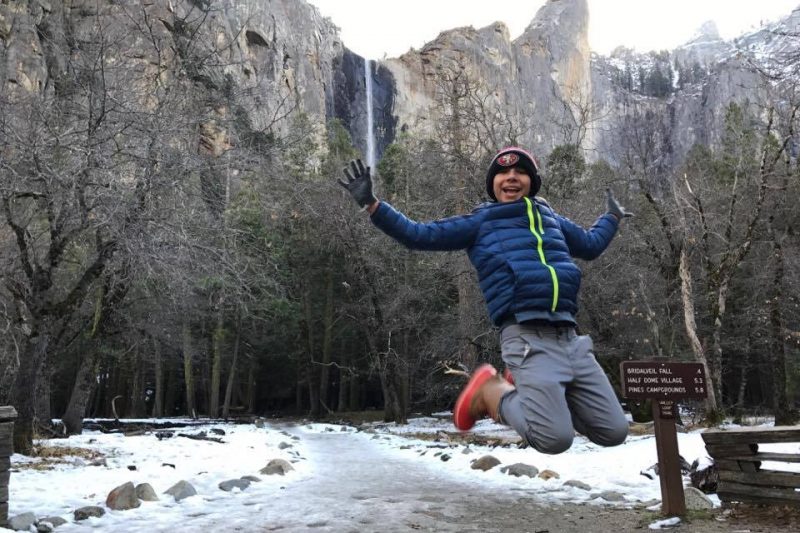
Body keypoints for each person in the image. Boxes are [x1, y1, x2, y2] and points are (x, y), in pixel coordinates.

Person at [337, 147, 631, 454]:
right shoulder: (482, 221)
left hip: (571, 338)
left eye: (520, 172)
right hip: (527, 336)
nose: (511, 178)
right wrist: (372, 205)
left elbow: (591, 244)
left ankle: (537, 392)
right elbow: (418, 235)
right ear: (493, 184)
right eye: (503, 173)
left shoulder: (550, 218)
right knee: (554, 440)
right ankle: (493, 392)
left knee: (613, 431)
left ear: (532, 181)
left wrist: (612, 216)